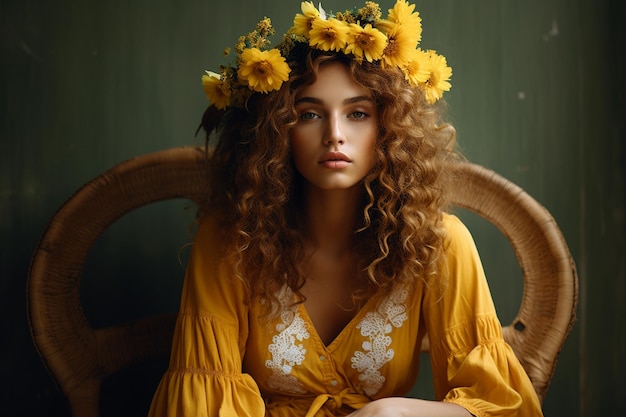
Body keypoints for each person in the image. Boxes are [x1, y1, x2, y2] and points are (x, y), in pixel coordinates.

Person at [149, 1, 543, 416]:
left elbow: (501, 407)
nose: (334, 135)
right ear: (276, 131)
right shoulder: (232, 241)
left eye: (357, 113)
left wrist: (393, 413)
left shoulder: (439, 244)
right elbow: (199, 405)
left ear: (389, 127)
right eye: (309, 114)